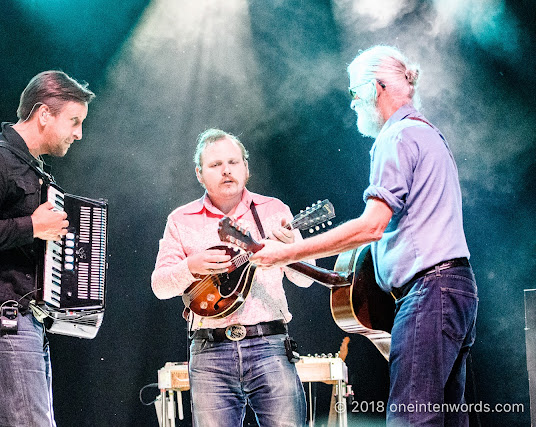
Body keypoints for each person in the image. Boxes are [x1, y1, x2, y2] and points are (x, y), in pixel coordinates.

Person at [251, 45, 478, 426]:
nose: (353, 104)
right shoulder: (429, 135)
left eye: (355, 93)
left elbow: (370, 226)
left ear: (376, 88)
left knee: (410, 420)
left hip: (430, 292)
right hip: (457, 290)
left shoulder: (395, 138)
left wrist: (283, 254)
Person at [0, 70, 95, 426]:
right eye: (74, 121)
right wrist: (31, 227)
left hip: (22, 317)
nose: (78, 133)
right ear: (44, 115)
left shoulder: (32, 167)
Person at [151, 128, 314, 426]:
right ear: (200, 174)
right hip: (209, 351)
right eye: (215, 165)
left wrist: (292, 250)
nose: (226, 170)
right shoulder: (180, 220)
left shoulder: (274, 210)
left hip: (270, 346)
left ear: (246, 168)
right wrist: (191, 265)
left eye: (233, 162)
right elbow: (159, 285)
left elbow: (305, 279)